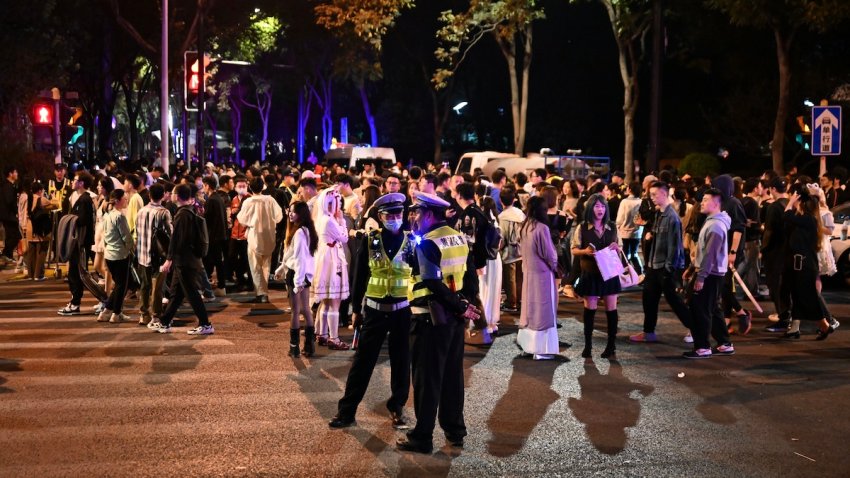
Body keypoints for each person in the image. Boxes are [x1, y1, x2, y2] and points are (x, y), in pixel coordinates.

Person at [396, 192, 481, 454]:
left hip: (428, 319)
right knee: (452, 377)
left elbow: (432, 283)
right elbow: (470, 278)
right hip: (453, 320)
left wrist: (458, 306)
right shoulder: (457, 238)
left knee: (426, 380)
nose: (413, 216)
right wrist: (464, 306)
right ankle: (455, 431)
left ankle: (422, 437)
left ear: (430, 214)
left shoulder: (428, 243)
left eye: (417, 212)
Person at [329, 193, 413, 429]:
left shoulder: (412, 241)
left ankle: (397, 408)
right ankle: (346, 412)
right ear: (381, 216)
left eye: (398, 214)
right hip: (375, 311)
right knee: (362, 364)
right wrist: (356, 309)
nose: (395, 218)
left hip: (402, 311)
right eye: (390, 215)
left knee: (401, 363)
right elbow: (360, 277)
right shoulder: (371, 240)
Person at [630, 181, 690, 343]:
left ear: (665, 194)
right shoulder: (657, 214)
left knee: (675, 301)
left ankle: (695, 328)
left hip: (664, 267)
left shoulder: (672, 218)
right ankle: (648, 332)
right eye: (651, 195)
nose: (652, 198)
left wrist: (668, 269)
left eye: (655, 195)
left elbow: (674, 246)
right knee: (649, 299)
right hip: (653, 265)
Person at [153, 184, 214, 335]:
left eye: (173, 193)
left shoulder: (182, 214)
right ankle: (165, 322)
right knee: (176, 294)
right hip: (187, 260)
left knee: (192, 293)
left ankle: (206, 324)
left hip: (185, 261)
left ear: (178, 196)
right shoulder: (189, 211)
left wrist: (169, 259)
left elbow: (178, 240)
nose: (171, 195)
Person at [682, 189, 733, 358]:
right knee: (711, 308)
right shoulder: (713, 221)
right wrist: (692, 268)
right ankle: (724, 343)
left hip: (710, 273)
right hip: (711, 272)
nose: (701, 203)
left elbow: (710, 254)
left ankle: (703, 347)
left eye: (705, 200)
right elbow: (704, 251)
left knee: (700, 309)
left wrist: (701, 276)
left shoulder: (716, 225)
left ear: (716, 203)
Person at [571, 193, 622, 359]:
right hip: (590, 273)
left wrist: (616, 247)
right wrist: (585, 251)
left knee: (611, 310)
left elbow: (619, 248)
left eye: (602, 206)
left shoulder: (612, 227)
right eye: (596, 206)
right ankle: (588, 345)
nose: (600, 209)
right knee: (589, 310)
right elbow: (574, 249)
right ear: (590, 208)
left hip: (609, 274)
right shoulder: (582, 227)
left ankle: (611, 345)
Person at [782, 188, 835, 340]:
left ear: (804, 205)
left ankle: (825, 325)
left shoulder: (809, 219)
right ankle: (795, 328)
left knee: (809, 297)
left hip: (804, 265)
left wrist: (791, 202)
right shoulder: (805, 220)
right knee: (799, 297)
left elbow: (786, 216)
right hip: (799, 264)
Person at [516, 196, 561, 360]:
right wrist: (555, 265)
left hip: (528, 272)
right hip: (542, 274)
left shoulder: (524, 226)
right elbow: (549, 254)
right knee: (544, 310)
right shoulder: (542, 228)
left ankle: (528, 346)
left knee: (529, 309)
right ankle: (542, 349)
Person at [275, 200, 317, 356]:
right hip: (304, 273)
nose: (290, 214)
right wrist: (281, 268)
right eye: (290, 211)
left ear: (301, 214)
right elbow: (297, 256)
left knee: (295, 310)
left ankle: (294, 347)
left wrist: (297, 281)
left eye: (293, 212)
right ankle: (309, 346)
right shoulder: (307, 230)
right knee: (306, 309)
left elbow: (299, 258)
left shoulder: (299, 232)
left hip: (297, 274)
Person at [312, 188, 351, 350]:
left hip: (326, 258)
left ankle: (322, 334)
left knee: (326, 301)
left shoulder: (323, 218)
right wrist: (342, 221)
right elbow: (344, 237)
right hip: (332, 260)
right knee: (333, 301)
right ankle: (333, 338)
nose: (340, 205)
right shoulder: (330, 220)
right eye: (338, 201)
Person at [237, 178, 283, 304]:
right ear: (263, 187)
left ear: (250, 188)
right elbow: (279, 216)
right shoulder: (270, 200)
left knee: (255, 266)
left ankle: (261, 293)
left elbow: (241, 219)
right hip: (269, 235)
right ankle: (264, 291)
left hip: (254, 235)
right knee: (266, 265)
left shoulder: (248, 202)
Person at [58, 173, 96, 316]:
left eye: (74, 180)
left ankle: (76, 303)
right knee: (76, 272)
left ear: (81, 183)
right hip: (78, 241)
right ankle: (75, 301)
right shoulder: (78, 198)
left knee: (78, 273)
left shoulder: (85, 199)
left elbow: (83, 220)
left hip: (81, 242)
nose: (72, 182)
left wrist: (69, 218)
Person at [134, 184, 172, 325]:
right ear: (162, 196)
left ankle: (144, 314)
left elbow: (137, 232)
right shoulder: (164, 213)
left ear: (149, 195)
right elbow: (170, 233)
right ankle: (156, 315)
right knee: (157, 288)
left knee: (144, 285)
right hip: (158, 256)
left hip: (142, 254)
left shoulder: (141, 211)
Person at [98, 190, 134, 323]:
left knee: (120, 284)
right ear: (118, 200)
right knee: (122, 285)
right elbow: (126, 237)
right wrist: (132, 247)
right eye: (124, 199)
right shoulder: (119, 216)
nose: (126, 201)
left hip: (109, 255)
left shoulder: (107, 215)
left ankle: (107, 311)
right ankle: (116, 313)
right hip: (120, 254)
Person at [761, 178, 792, 332]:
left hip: (775, 251)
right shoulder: (790, 204)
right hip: (789, 250)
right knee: (785, 286)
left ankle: (783, 318)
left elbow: (769, 231)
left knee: (775, 286)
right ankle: (788, 317)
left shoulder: (774, 207)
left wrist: (763, 248)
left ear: (773, 189)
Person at [498, 187, 525, 313]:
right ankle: (520, 301)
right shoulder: (520, 213)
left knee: (510, 279)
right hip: (521, 250)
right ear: (514, 199)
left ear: (500, 200)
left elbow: (501, 238)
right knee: (520, 278)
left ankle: (511, 303)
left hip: (509, 252)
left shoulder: (502, 217)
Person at [24, 182, 57, 281]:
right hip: (40, 230)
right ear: (39, 191)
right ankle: (38, 275)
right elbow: (56, 205)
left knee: (31, 252)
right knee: (42, 251)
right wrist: (53, 196)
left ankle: (31, 274)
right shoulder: (41, 199)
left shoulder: (28, 199)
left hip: (30, 228)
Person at [616, 181, 643, 275]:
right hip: (637, 232)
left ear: (630, 189)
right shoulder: (641, 201)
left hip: (624, 232)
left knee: (624, 254)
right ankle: (639, 272)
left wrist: (617, 227)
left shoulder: (624, 202)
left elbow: (620, 218)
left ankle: (626, 274)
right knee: (634, 253)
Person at [0, 166, 20, 263]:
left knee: (10, 235)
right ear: (10, 174)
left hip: (7, 215)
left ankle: (9, 255)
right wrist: (16, 211)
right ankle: (6, 253)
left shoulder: (7, 185)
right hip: (8, 216)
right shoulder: (8, 186)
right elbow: (9, 201)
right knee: (15, 235)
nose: (17, 174)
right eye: (15, 172)